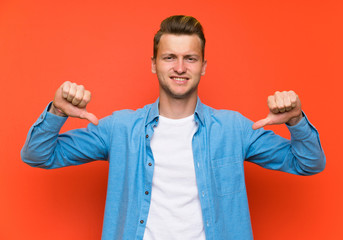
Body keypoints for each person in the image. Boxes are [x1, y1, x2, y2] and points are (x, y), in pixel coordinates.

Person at [21, 15, 325, 240]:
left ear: (203, 66)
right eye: (169, 57)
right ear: (154, 63)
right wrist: (57, 111)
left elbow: (308, 163)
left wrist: (296, 120)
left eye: (190, 58)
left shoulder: (234, 129)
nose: (180, 67)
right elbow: (38, 155)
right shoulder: (119, 129)